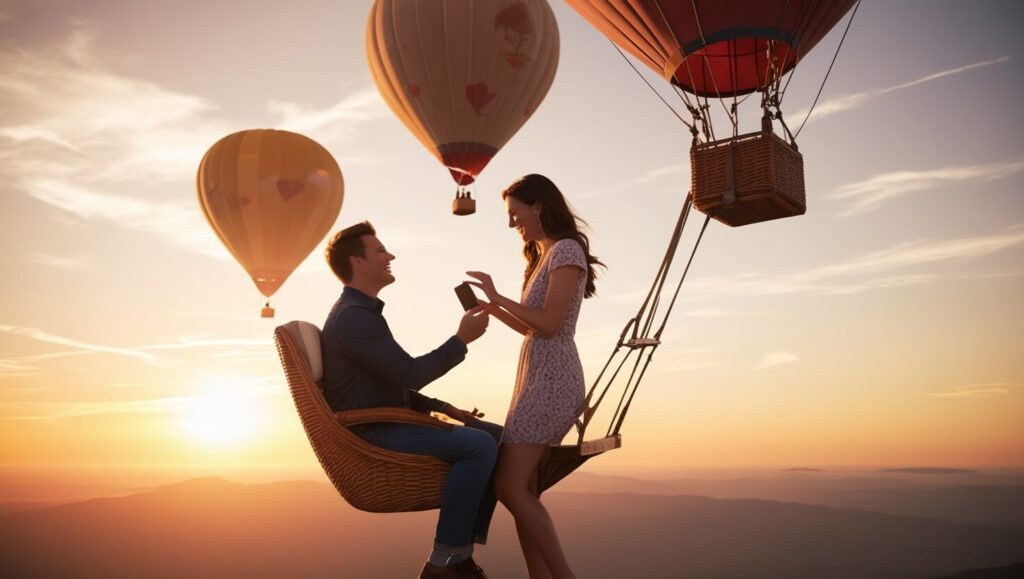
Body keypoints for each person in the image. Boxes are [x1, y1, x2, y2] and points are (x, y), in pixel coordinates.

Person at [321, 221, 501, 579]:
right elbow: (410, 374)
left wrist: (444, 407)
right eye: (380, 251)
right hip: (373, 431)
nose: (391, 256)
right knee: (479, 447)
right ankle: (445, 561)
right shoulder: (353, 319)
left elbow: (392, 384)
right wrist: (460, 340)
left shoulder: (361, 314)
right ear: (357, 262)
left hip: (387, 419)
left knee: (497, 436)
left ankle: (461, 553)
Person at [466, 174, 603, 579]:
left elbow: (549, 323)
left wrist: (497, 297)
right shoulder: (541, 256)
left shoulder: (566, 251)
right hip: (536, 375)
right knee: (524, 490)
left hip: (552, 380)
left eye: (515, 213)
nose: (512, 223)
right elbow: (532, 327)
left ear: (538, 206)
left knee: (508, 487)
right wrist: (495, 311)